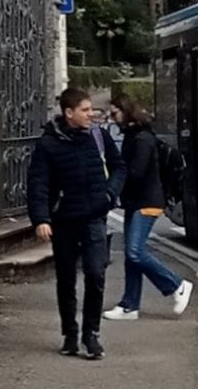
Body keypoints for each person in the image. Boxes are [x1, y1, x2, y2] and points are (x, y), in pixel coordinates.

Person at [27, 88, 127, 360]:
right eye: (84, 110)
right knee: (67, 280)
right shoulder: (48, 144)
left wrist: (109, 193)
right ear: (68, 113)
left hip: (94, 216)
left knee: (96, 273)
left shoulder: (98, 136)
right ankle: (70, 335)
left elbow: (119, 167)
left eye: (91, 109)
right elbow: (38, 183)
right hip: (64, 220)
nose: (91, 114)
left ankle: (91, 334)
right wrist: (41, 219)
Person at [103, 93, 193, 321]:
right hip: (137, 201)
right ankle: (129, 305)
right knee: (131, 255)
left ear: (126, 111)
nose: (113, 119)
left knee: (135, 252)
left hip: (148, 201)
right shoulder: (136, 135)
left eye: (115, 113)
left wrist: (113, 176)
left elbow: (136, 172)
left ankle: (177, 285)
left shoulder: (142, 139)